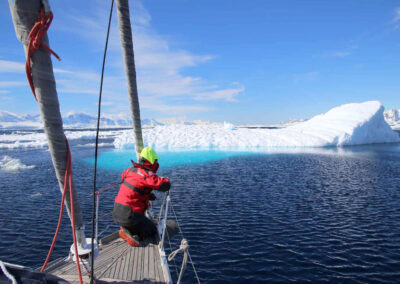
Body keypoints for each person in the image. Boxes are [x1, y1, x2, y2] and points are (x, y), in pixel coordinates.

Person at [112, 147, 171, 246]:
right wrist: (167, 180)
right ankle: (129, 233)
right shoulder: (146, 174)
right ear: (151, 161)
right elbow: (163, 185)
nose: (156, 163)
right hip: (130, 215)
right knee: (152, 230)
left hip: (117, 210)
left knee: (141, 222)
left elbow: (134, 187)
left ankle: (127, 228)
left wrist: (146, 195)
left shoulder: (129, 170)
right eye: (155, 161)